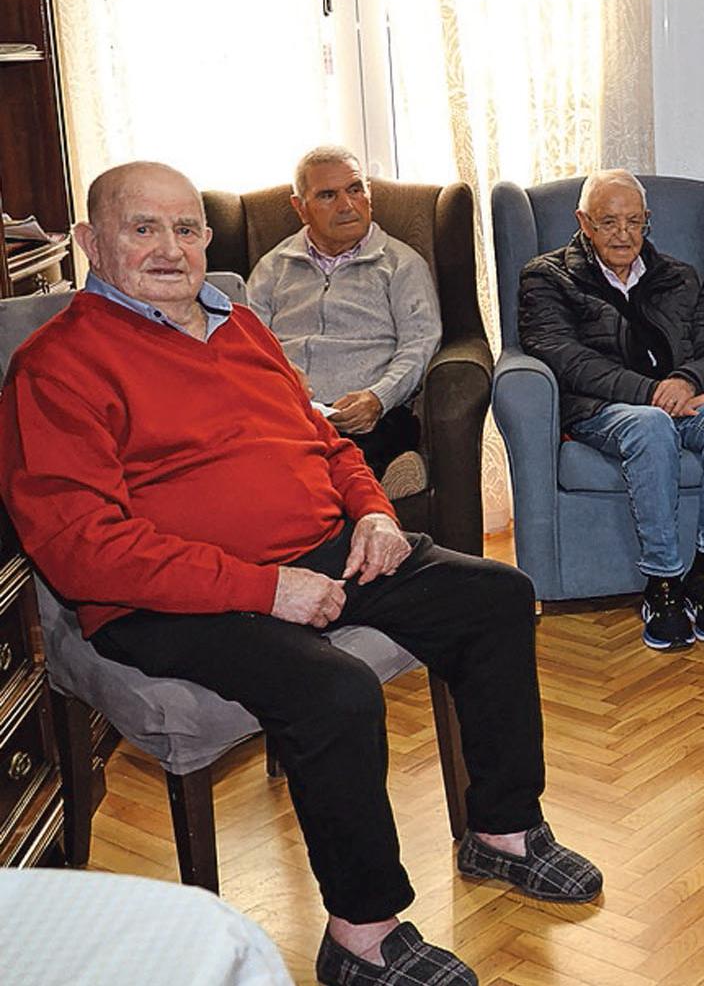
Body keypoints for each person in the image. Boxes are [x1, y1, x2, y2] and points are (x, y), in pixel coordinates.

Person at [0, 162, 600, 986]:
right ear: (89, 242)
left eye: (185, 229)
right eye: (142, 229)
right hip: (164, 598)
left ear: (207, 239)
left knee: (496, 596)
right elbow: (82, 549)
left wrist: (374, 514)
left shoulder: (239, 324)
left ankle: (500, 831)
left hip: (320, 546)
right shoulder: (56, 364)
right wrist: (264, 589)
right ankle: (361, 934)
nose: (170, 249)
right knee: (335, 690)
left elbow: (323, 442)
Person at [518, 170, 704, 650]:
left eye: (634, 222)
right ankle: (662, 585)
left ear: (648, 222)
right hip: (604, 408)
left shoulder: (679, 275)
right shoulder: (547, 275)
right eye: (608, 222)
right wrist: (652, 392)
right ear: (583, 222)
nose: (622, 234)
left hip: (680, 397)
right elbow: (562, 356)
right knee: (651, 425)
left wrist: (688, 380)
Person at [247, 146, 441, 490]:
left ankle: (385, 476)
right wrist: (279, 386)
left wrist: (378, 397)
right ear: (300, 208)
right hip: (288, 413)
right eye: (327, 195)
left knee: (355, 451)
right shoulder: (273, 267)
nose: (347, 205)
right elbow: (247, 341)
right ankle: (374, 486)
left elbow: (420, 344)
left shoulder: (400, 263)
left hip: (366, 415)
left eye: (355, 190)